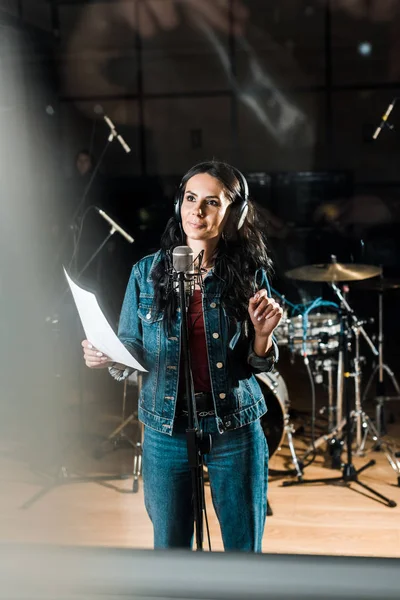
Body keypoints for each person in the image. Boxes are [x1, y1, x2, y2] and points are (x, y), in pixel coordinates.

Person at [82, 160, 283, 551]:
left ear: (232, 214)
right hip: (165, 428)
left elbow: (258, 363)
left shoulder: (248, 273)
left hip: (234, 425)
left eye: (212, 202)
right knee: (170, 548)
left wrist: (262, 335)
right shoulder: (145, 273)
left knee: (245, 550)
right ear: (179, 204)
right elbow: (132, 346)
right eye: (191, 198)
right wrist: (109, 356)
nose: (197, 211)